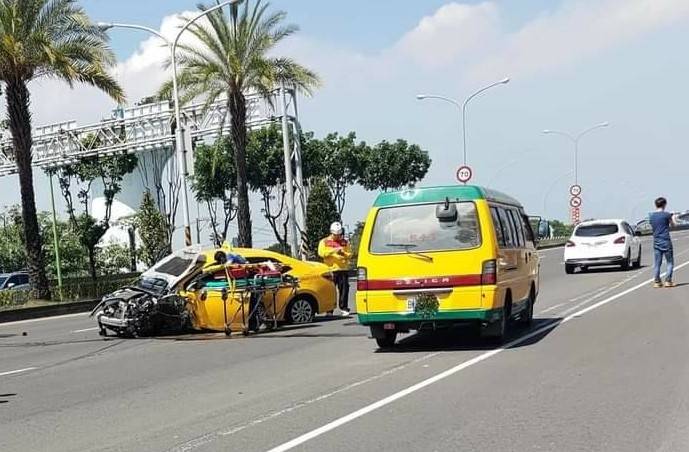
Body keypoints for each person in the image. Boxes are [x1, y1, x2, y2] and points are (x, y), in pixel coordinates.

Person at [318, 222, 353, 316]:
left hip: (342, 269)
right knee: (330, 290)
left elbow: (350, 254)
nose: (337, 237)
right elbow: (321, 253)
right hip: (330, 270)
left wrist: (344, 254)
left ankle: (344, 308)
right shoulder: (324, 242)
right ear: (331, 233)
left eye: (339, 235)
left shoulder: (345, 242)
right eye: (335, 235)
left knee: (344, 290)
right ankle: (329, 310)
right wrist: (333, 251)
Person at [649, 197, 676, 288]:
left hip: (656, 240)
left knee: (657, 263)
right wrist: (674, 217)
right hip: (665, 240)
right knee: (670, 262)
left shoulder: (651, 216)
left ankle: (657, 281)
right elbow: (673, 225)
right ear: (664, 204)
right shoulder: (667, 215)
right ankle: (668, 281)